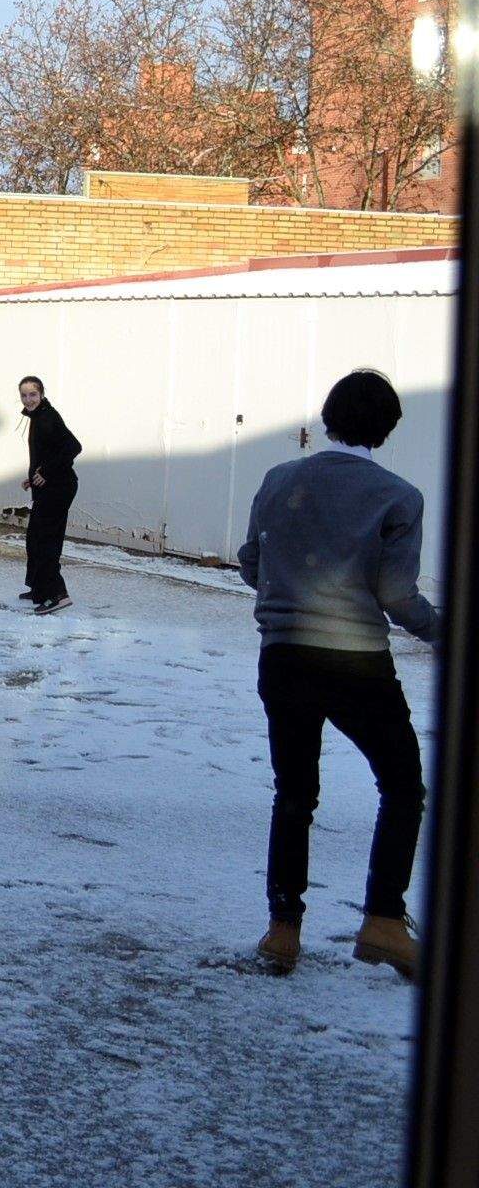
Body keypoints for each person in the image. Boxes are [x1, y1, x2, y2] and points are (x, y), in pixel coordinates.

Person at [238, 369, 441, 982]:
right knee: (402, 785)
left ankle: (282, 931)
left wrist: (289, 592)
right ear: (388, 428)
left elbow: (253, 564)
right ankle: (382, 921)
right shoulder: (398, 496)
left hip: (283, 657)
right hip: (355, 661)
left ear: (327, 418)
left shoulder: (278, 480)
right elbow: (397, 595)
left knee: (294, 792)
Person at [18, 376, 82, 614]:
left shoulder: (47, 417)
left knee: (46, 541)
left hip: (60, 489)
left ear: (42, 395)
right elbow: (47, 453)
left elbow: (73, 447)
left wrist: (46, 472)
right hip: (48, 487)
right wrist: (33, 476)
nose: (28, 399)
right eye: (24, 395)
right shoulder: (37, 417)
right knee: (34, 539)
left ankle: (58, 595)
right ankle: (39, 588)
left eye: (33, 395)